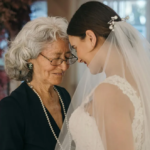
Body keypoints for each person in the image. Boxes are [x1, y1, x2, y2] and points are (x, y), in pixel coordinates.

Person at [55, 1, 150, 150]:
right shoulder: (139, 83)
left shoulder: (109, 92)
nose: (78, 58)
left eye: (75, 48)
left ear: (91, 38)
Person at [0, 17, 77, 150]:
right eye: (55, 58)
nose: (64, 67)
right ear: (30, 57)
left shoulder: (64, 96)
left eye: (67, 57)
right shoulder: (11, 109)